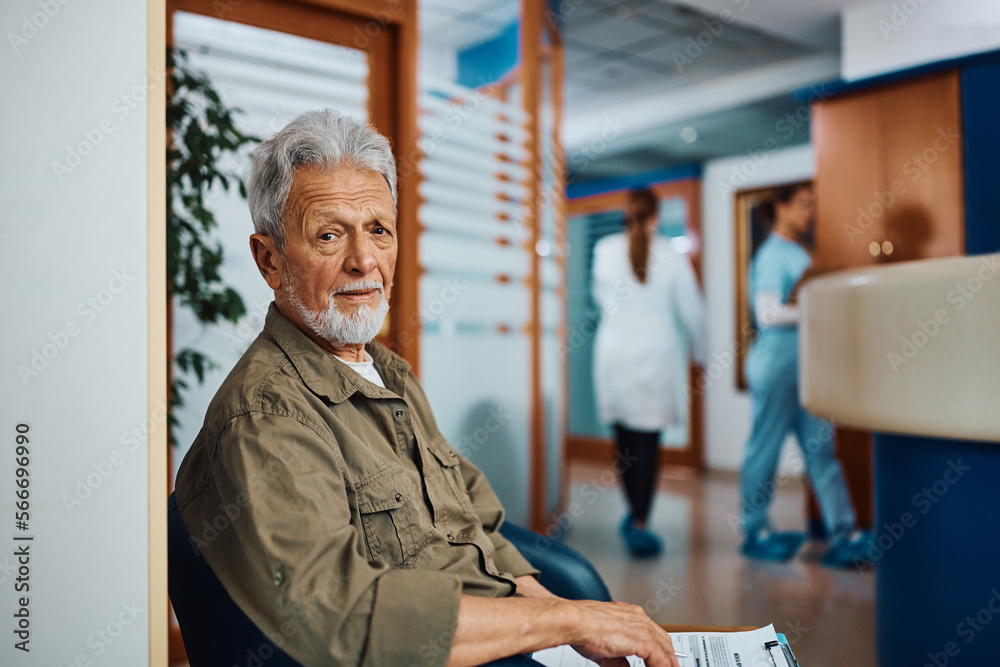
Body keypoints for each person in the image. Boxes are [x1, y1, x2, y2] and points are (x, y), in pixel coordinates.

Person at [173, 110, 681, 667]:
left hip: (489, 633)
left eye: (378, 230)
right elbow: (342, 620)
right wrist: (566, 620)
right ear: (269, 260)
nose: (363, 261)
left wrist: (567, 624)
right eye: (328, 235)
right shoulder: (267, 418)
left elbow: (476, 520)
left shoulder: (390, 372)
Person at [740, 183, 871, 567]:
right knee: (765, 448)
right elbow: (768, 314)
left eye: (813, 204)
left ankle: (844, 533)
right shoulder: (772, 255)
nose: (810, 212)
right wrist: (816, 308)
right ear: (780, 207)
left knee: (822, 447)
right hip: (776, 365)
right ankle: (755, 528)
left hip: (805, 368)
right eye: (802, 204)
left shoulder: (799, 253)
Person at [591, 189, 706, 558]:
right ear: (655, 216)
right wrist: (702, 355)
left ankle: (632, 514)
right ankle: (640, 521)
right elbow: (693, 311)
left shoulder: (606, 249)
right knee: (646, 444)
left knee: (624, 439)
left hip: (614, 354)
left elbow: (600, 299)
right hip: (654, 355)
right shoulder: (672, 255)